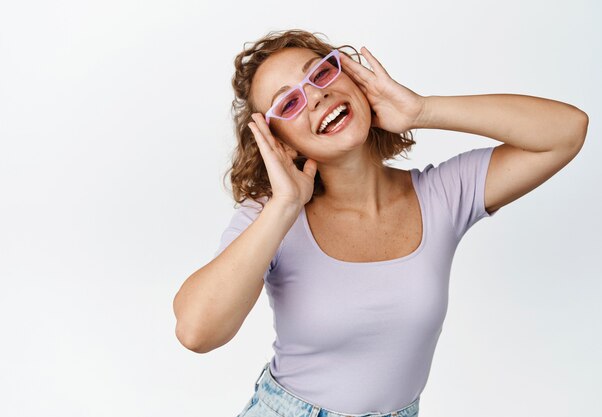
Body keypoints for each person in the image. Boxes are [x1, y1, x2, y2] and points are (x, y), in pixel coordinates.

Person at [173, 29, 588, 417]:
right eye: (289, 103)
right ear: (278, 142)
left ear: (353, 78)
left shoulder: (441, 195)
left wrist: (422, 109)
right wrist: (283, 206)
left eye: (320, 74)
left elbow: (567, 131)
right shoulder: (270, 217)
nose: (315, 97)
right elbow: (197, 332)